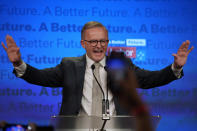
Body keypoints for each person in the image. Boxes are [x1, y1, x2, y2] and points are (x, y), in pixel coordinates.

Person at [1, 21, 194, 116]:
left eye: (103, 41)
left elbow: (149, 80)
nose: (99, 45)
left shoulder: (121, 64)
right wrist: (18, 63)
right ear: (83, 43)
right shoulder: (69, 65)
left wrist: (175, 67)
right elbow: (41, 77)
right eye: (93, 41)